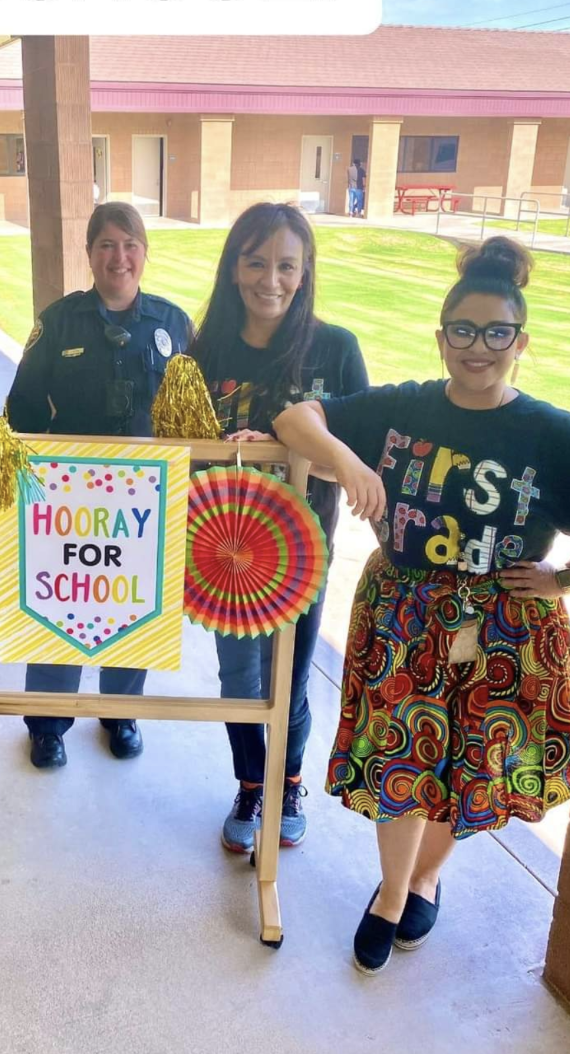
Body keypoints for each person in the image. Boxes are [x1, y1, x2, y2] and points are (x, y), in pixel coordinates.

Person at [271, 235, 570, 973]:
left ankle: (427, 874)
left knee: (469, 768)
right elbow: (295, 418)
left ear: (518, 342)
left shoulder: (550, 433)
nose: (477, 347)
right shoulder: (403, 408)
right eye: (462, 330)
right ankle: (392, 894)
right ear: (440, 336)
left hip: (505, 626)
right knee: (401, 758)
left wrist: (569, 578)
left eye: (496, 333)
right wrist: (348, 458)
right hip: (402, 615)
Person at [189, 202, 368, 852]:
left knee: (287, 677)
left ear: (304, 272)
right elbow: (178, 449)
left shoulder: (335, 349)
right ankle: (249, 784)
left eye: (285, 265)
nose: (270, 278)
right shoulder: (202, 350)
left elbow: (361, 456)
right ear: (234, 267)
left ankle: (286, 780)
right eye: (255, 260)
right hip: (220, 556)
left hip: (301, 551)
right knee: (238, 680)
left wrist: (287, 450)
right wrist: (224, 454)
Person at [0, 201, 192, 770]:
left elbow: (193, 415)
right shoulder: (58, 321)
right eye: (106, 245)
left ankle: (119, 711)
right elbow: (24, 407)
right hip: (70, 498)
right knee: (61, 607)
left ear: (145, 253)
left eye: (130, 244)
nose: (119, 257)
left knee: (131, 605)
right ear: (88, 254)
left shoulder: (173, 324)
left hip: (144, 500)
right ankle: (49, 723)